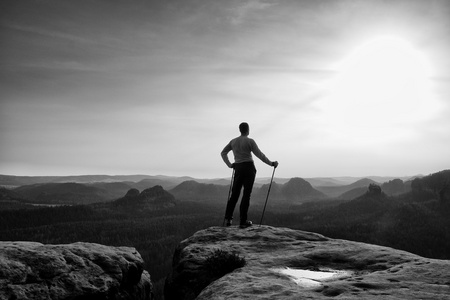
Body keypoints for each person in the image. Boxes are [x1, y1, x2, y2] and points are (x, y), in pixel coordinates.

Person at [221, 122, 278, 228]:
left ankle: (228, 219)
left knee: (234, 194)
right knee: (246, 195)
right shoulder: (250, 141)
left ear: (240, 130)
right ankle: (243, 220)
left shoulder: (233, 141)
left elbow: (223, 153)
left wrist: (230, 165)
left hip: (238, 167)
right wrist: (271, 163)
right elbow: (260, 155)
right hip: (249, 168)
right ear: (248, 130)